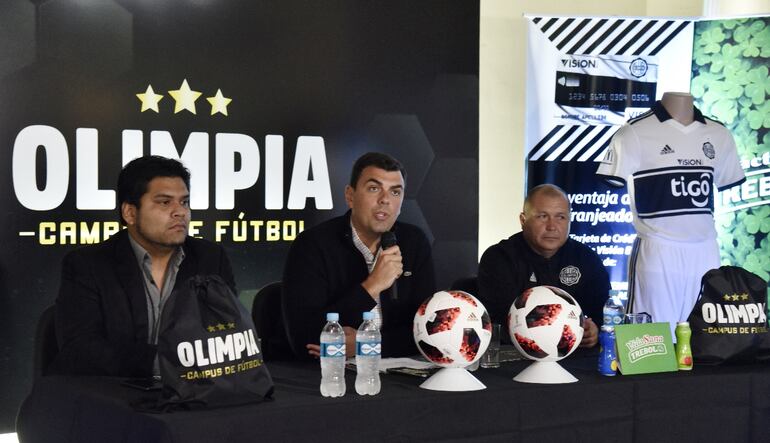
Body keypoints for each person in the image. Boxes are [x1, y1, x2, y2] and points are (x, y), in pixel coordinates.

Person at [51, 155, 236, 376]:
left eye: (184, 202)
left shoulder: (211, 258)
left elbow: (230, 334)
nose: (180, 212)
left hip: (196, 394)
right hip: (113, 397)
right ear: (129, 212)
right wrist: (166, 365)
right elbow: (80, 348)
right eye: (165, 202)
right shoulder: (88, 265)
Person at [596, 92, 745, 335]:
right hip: (658, 250)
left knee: (705, 341)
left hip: (706, 251)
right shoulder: (633, 133)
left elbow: (727, 180)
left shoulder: (719, 134)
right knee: (652, 341)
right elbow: (613, 178)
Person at [282, 152, 436, 359]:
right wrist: (372, 286)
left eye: (395, 192)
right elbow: (305, 338)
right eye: (374, 189)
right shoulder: (313, 245)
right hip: (329, 377)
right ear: (350, 196)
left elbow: (429, 332)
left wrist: (367, 345)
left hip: (397, 373)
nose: (385, 200)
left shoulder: (414, 242)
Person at [477, 184, 608, 347]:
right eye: (542, 216)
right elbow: (499, 321)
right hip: (517, 355)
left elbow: (603, 312)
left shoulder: (587, 259)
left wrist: (594, 330)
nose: (552, 226)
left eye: (561, 217)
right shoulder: (499, 258)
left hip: (574, 356)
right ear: (523, 220)